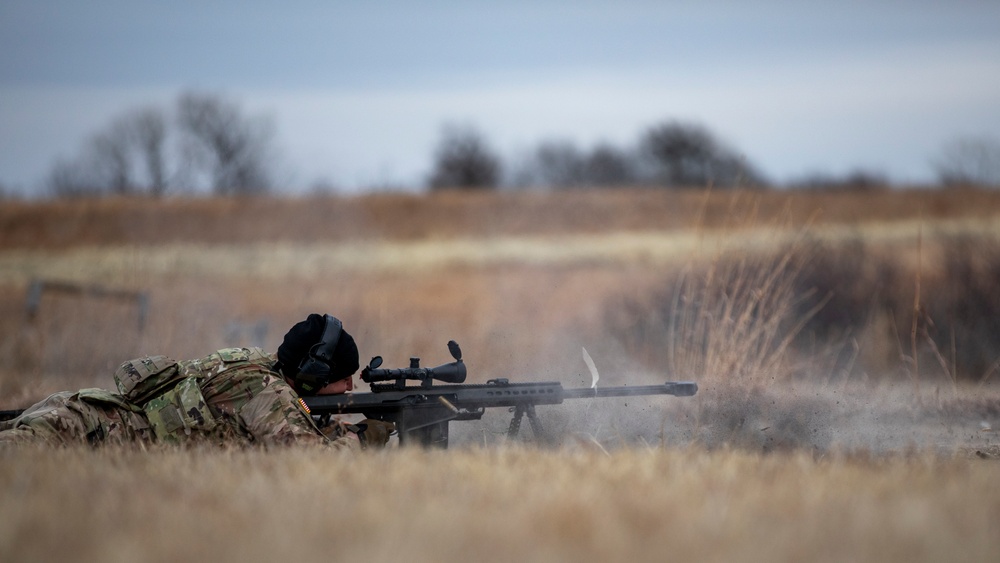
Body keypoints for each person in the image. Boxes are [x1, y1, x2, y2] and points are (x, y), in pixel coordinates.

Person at [0, 313, 393, 450]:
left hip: (76, 413)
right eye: (342, 380)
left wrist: (331, 427)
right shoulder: (270, 395)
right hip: (77, 431)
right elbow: (310, 465)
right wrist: (357, 440)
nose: (349, 390)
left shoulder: (254, 367)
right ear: (312, 374)